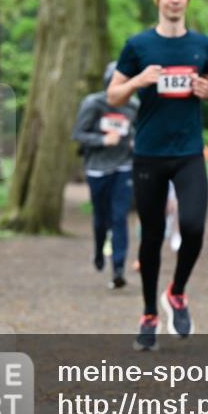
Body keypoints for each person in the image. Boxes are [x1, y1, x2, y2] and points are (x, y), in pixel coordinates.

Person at [107, 0, 208, 351]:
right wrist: (138, 81)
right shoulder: (138, 45)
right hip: (149, 152)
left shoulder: (202, 44)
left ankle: (178, 292)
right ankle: (148, 313)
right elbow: (113, 96)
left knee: (194, 226)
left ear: (187, 0)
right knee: (151, 237)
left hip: (188, 152)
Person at [72, 62, 139, 290]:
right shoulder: (93, 103)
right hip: (97, 168)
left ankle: (118, 268)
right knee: (102, 218)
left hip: (124, 166)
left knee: (120, 217)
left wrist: (134, 142)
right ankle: (99, 250)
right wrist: (102, 140)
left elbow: (138, 131)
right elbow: (78, 134)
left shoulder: (133, 107)